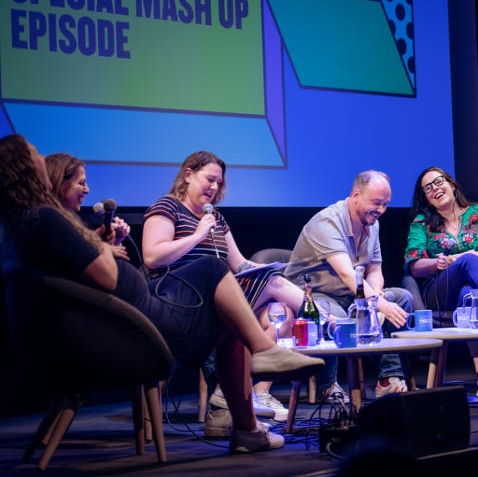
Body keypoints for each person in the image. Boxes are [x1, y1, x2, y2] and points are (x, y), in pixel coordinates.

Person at [0, 134, 324, 454]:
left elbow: (87, 275)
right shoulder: (46, 217)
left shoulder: (26, 223)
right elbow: (110, 276)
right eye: (35, 154)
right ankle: (266, 359)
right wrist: (102, 247)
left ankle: (247, 422)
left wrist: (100, 244)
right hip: (145, 321)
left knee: (238, 308)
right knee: (213, 272)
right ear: (25, 169)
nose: (43, 159)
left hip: (132, 318)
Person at [142, 151, 302, 428]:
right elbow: (152, 257)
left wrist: (266, 269)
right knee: (273, 286)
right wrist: (197, 236)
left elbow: (239, 263)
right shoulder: (167, 207)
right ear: (188, 174)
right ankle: (329, 322)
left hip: (215, 299)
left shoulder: (215, 218)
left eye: (219, 183)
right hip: (178, 300)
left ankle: (232, 397)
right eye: (210, 179)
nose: (214, 188)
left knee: (280, 314)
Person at [285, 170, 414, 401]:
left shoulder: (372, 222)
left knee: (402, 297)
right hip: (314, 296)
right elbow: (346, 273)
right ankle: (327, 385)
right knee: (334, 313)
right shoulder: (327, 222)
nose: (381, 210)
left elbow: (374, 270)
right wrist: (377, 303)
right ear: (356, 195)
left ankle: (389, 378)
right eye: (376, 203)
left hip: (352, 295)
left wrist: (375, 299)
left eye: (385, 204)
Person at [404, 167, 478, 398]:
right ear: (425, 198)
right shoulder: (422, 223)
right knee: (468, 263)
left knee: (470, 293)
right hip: (439, 290)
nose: (435, 189)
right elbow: (413, 264)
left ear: (452, 184)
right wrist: (441, 263)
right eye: (428, 188)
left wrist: (466, 260)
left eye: (439, 182)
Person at [45, 152, 131, 260]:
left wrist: (106, 240)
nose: (87, 190)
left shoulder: (64, 224)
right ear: (60, 184)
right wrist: (102, 248)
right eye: (81, 183)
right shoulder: (48, 222)